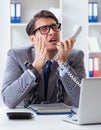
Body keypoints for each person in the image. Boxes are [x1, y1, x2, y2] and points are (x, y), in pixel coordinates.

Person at [1, 10, 86, 108]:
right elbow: (8, 100)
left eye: (54, 27)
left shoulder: (76, 56)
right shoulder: (16, 55)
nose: (52, 32)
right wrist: (35, 67)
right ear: (33, 39)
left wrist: (63, 62)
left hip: (61, 119)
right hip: (27, 120)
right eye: (44, 29)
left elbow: (82, 102)